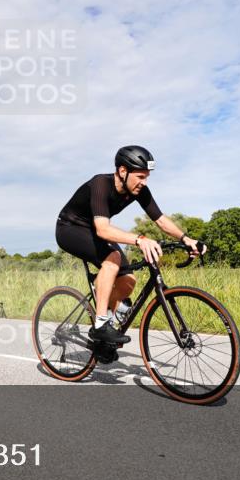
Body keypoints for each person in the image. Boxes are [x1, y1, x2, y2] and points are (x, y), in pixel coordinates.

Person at [56, 145, 203, 345]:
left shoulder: (139, 190)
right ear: (123, 171)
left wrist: (186, 239)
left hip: (95, 230)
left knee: (128, 281)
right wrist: (140, 240)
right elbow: (103, 230)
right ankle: (100, 325)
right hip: (69, 228)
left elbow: (160, 220)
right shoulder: (100, 184)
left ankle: (104, 331)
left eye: (147, 177)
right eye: (140, 177)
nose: (144, 182)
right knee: (113, 259)